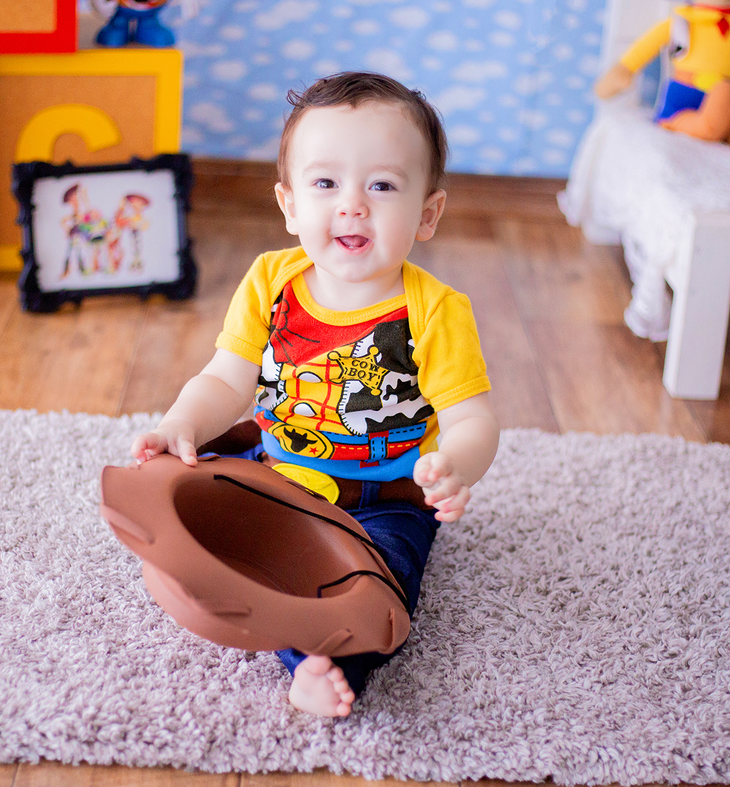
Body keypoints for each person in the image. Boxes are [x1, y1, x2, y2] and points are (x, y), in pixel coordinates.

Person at [129, 72, 500, 717]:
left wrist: (453, 468)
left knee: (382, 580)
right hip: (280, 470)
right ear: (291, 204)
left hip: (386, 498)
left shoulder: (436, 311)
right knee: (197, 497)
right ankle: (222, 576)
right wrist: (181, 420)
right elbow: (225, 378)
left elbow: (474, 418)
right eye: (326, 184)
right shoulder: (272, 280)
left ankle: (326, 664)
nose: (351, 205)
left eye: (382, 185)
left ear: (428, 213)